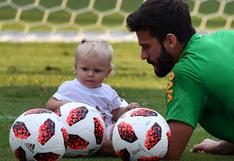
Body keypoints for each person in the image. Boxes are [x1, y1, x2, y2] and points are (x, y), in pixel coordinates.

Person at [126, 0, 234, 160]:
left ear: (170, 40)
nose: (143, 56)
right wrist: (226, 146)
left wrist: (104, 146)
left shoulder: (187, 72)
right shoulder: (226, 37)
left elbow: (169, 153)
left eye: (146, 46)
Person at [45, 39, 139, 156]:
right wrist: (69, 105)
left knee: (126, 131)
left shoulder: (108, 92)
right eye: (85, 69)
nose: (90, 74)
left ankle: (109, 147)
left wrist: (128, 110)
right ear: (76, 67)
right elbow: (49, 106)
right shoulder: (70, 88)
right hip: (76, 131)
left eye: (97, 70)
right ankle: (105, 148)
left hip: (105, 131)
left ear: (108, 71)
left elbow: (115, 114)